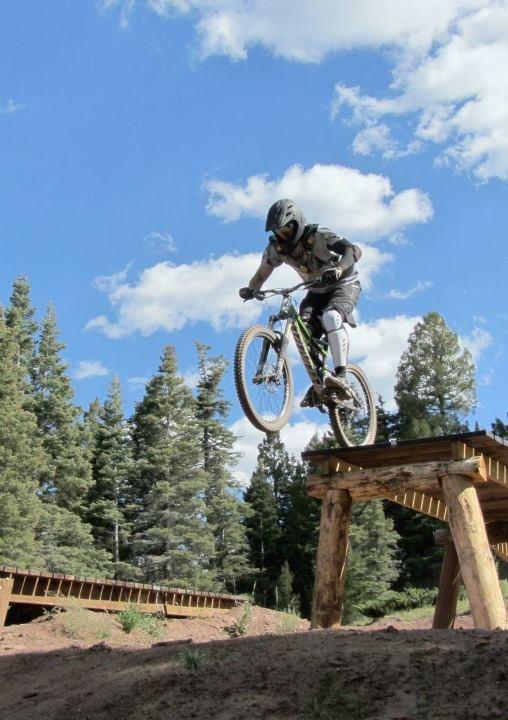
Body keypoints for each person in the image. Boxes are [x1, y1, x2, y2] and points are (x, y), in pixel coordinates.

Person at [239, 198, 362, 399]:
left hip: (344, 284)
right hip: (316, 291)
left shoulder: (319, 234)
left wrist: (339, 268)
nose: (283, 235)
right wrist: (251, 289)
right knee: (303, 331)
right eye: (278, 232)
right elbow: (261, 275)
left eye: (286, 229)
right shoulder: (277, 249)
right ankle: (321, 381)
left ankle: (342, 375)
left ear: (297, 223)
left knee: (331, 317)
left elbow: (353, 250)